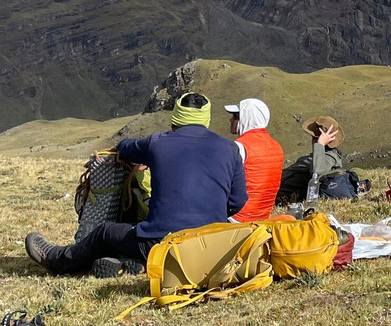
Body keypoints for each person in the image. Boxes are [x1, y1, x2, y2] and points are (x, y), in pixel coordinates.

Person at [25, 93, 247, 277]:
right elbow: (238, 202)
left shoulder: (157, 143)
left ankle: (57, 260)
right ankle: (133, 263)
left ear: (175, 120)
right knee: (135, 235)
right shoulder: (230, 150)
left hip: (159, 242)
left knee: (105, 233)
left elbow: (125, 147)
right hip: (211, 244)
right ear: (206, 120)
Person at [226, 98, 284, 222]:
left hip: (237, 217)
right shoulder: (277, 147)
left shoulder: (239, 146)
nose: (231, 120)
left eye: (236, 116)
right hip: (263, 217)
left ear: (246, 118)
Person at [276, 115, 344, 203]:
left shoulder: (330, 157)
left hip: (278, 192)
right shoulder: (321, 154)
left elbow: (317, 171)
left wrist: (320, 144)